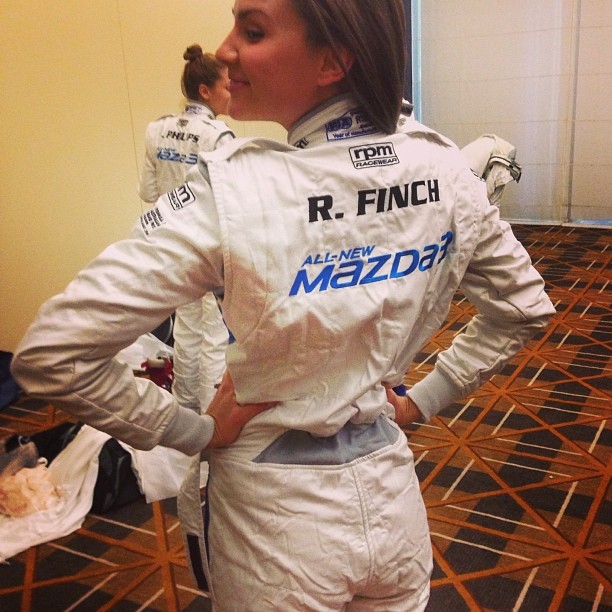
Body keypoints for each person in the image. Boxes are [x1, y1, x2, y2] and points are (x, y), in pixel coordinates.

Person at [11, 0, 556, 609]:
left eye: (252, 30)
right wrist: (422, 401)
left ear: (333, 61)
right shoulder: (448, 169)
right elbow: (525, 306)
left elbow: (55, 353)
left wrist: (194, 431)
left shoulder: (232, 192)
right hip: (394, 506)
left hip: (276, 525)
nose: (223, 49)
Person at [139, 44, 234, 413]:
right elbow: (230, 204)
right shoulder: (219, 136)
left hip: (171, 244)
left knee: (185, 329)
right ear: (205, 91)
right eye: (226, 86)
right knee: (214, 336)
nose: (231, 92)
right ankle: (210, 422)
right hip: (209, 248)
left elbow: (148, 192)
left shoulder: (157, 129)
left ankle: (183, 413)